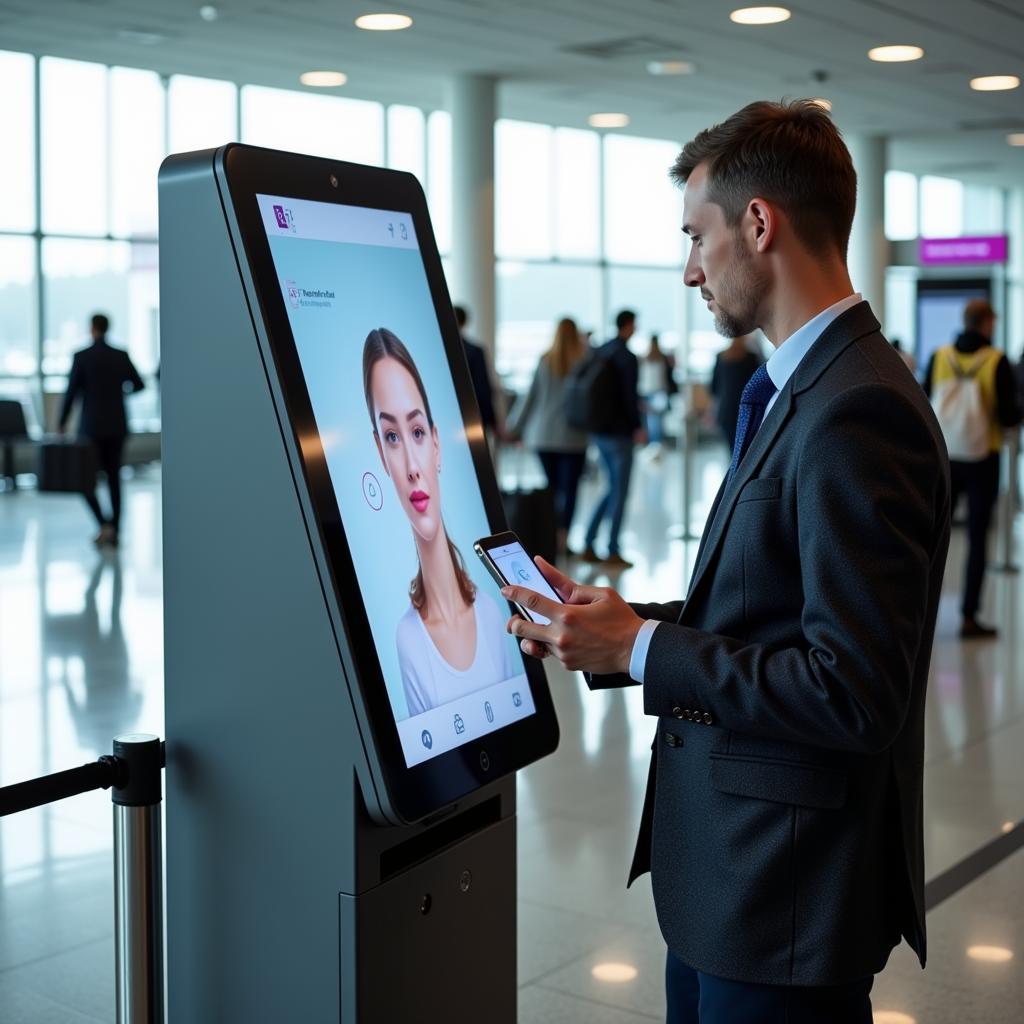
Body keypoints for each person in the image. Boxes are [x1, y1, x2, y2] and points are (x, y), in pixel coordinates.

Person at [499, 100, 950, 1024]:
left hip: (781, 896)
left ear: (758, 223)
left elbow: (857, 691)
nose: (690, 269)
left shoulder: (856, 409)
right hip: (735, 886)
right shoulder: (803, 385)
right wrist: (626, 626)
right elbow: (772, 607)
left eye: (697, 236)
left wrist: (644, 654)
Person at [362, 327, 517, 715]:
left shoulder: (490, 612)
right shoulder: (408, 639)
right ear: (381, 455)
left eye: (416, 431)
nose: (413, 468)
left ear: (436, 444)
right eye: (392, 438)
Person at [923, 299, 1021, 638]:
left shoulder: (940, 357)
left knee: (932, 538)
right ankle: (967, 616)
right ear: (988, 323)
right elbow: (1008, 416)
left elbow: (924, 400)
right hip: (983, 459)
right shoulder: (996, 361)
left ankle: (922, 614)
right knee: (978, 539)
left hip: (944, 458)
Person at [58, 313, 145, 548]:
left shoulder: (82, 357)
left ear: (92, 329)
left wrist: (62, 422)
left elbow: (71, 393)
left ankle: (103, 525)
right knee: (114, 479)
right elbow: (139, 384)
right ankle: (114, 529)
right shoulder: (120, 355)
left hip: (91, 428)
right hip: (116, 425)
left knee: (85, 480)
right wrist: (119, 393)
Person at [507, 318, 589, 558]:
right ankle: (563, 539)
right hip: (574, 437)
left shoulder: (545, 360)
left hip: (542, 436)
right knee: (570, 490)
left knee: (552, 491)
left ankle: (550, 537)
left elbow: (529, 397)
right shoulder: (583, 361)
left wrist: (513, 427)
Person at [581, 309, 646, 568]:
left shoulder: (601, 350)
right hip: (620, 433)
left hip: (600, 431)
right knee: (620, 491)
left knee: (612, 488)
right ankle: (612, 549)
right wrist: (638, 426)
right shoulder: (626, 357)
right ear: (629, 325)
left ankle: (588, 541)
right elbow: (630, 397)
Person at [453, 305, 506, 449]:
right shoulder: (474, 351)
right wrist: (493, 422)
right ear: (465, 322)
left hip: (449, 416)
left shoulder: (436, 352)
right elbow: (483, 388)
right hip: (473, 417)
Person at [709, 334, 763, 450]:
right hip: (745, 410)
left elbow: (714, 387)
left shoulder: (721, 356)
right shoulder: (751, 358)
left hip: (725, 411)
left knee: (731, 450)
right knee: (744, 450)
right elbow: (759, 384)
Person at [638, 333, 677, 458]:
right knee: (657, 422)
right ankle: (657, 445)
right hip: (659, 392)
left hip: (648, 392)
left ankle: (653, 446)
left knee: (651, 421)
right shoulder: (663, 358)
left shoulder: (645, 358)